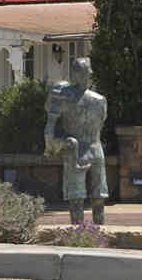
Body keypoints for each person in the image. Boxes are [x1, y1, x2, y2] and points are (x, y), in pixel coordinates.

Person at [44, 56, 108, 224]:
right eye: (87, 72)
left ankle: (98, 231)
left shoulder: (99, 100)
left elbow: (100, 123)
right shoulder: (61, 95)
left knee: (99, 195)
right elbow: (50, 126)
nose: (91, 75)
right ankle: (77, 233)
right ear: (76, 74)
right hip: (75, 149)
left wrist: (52, 146)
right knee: (77, 197)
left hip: (94, 148)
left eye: (90, 72)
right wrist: (54, 145)